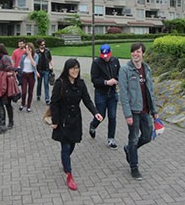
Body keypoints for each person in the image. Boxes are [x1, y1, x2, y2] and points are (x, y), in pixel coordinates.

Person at [50, 58, 103, 191]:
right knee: (66, 147)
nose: (75, 71)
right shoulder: (60, 83)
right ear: (67, 69)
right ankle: (69, 174)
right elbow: (54, 103)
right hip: (63, 120)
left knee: (72, 145)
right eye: (72, 68)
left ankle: (65, 160)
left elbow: (87, 100)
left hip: (75, 119)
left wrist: (95, 112)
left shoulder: (81, 83)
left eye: (77, 68)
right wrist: (55, 121)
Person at [118, 42, 158, 181]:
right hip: (133, 112)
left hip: (145, 111)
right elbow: (123, 93)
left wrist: (154, 111)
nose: (135, 54)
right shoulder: (125, 70)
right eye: (133, 51)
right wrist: (127, 114)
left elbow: (150, 91)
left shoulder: (147, 69)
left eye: (138, 52)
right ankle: (134, 168)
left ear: (143, 54)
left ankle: (129, 149)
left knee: (147, 137)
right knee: (134, 138)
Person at [89, 44, 121, 149]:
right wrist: (106, 82)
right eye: (104, 56)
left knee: (112, 116)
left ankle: (111, 139)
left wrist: (116, 80)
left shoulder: (115, 61)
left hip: (112, 93)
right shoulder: (96, 63)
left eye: (107, 55)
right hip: (101, 93)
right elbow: (94, 80)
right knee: (101, 115)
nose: (106, 57)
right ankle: (93, 125)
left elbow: (118, 74)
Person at [0, 43, 15, 135]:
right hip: (4, 84)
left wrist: (0, 75)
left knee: (1, 104)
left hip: (4, 85)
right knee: (6, 104)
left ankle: (3, 125)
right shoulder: (4, 58)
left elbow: (10, 71)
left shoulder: (4, 59)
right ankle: (10, 123)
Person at [18, 42, 39, 112]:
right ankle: (22, 103)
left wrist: (30, 56)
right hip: (24, 74)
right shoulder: (23, 56)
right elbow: (20, 65)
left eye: (28, 48)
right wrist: (17, 70)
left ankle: (28, 106)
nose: (26, 50)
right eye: (26, 48)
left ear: (31, 49)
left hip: (31, 75)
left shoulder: (36, 56)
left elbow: (34, 64)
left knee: (30, 91)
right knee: (24, 91)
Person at [36, 39, 53, 105]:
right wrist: (36, 71)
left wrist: (51, 65)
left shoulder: (47, 51)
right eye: (42, 45)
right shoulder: (36, 52)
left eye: (44, 44)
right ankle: (38, 94)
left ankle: (47, 99)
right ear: (39, 45)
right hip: (39, 70)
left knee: (46, 83)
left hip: (46, 70)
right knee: (39, 83)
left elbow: (50, 59)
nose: (43, 46)